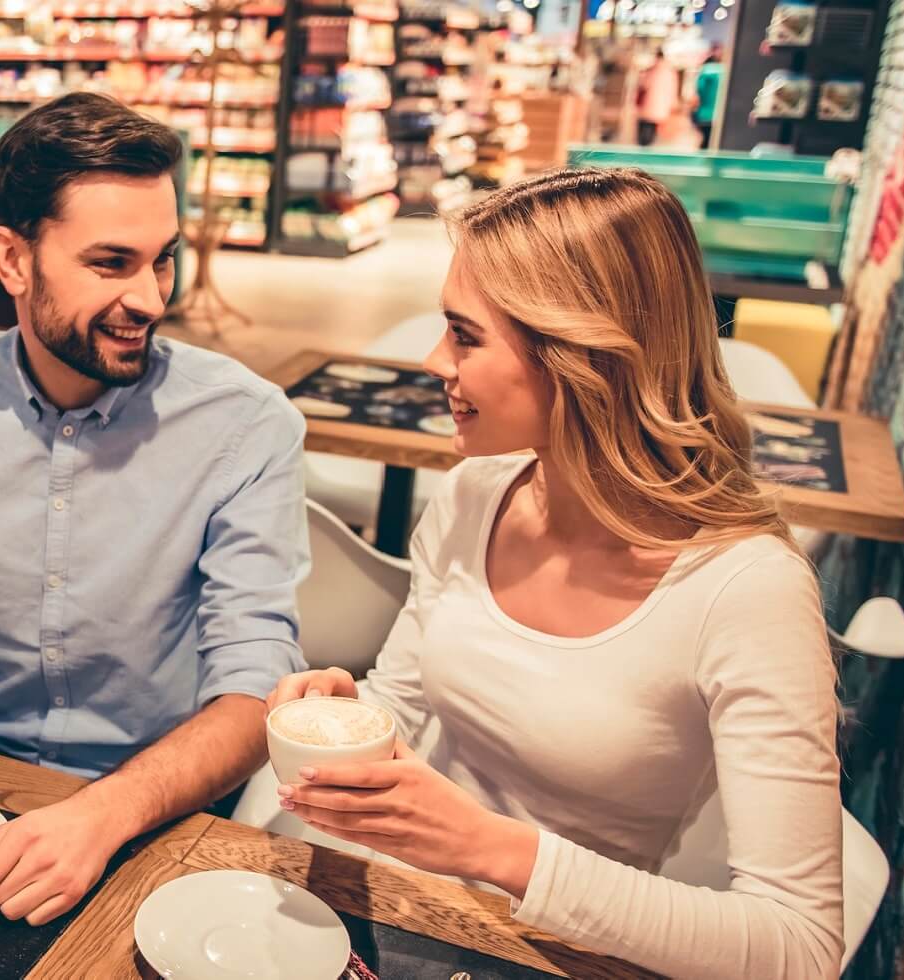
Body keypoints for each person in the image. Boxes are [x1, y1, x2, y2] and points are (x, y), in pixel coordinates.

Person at [268, 168, 844, 978]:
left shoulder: (747, 590)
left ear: (579, 355)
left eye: (464, 335)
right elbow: (401, 699)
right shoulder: (476, 493)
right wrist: (347, 716)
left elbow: (799, 945)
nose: (435, 359)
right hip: (405, 913)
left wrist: (493, 849)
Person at [0, 92, 309, 927]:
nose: (151, 298)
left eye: (163, 259)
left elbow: (257, 687)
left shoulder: (246, 422)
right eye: (112, 264)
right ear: (12, 260)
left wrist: (105, 814)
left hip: (161, 802)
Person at [636, 49, 678, 146]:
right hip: (661, 106)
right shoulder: (670, 71)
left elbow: (644, 85)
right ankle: (648, 145)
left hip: (648, 104)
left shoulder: (651, 69)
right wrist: (672, 104)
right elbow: (672, 90)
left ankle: (643, 146)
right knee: (653, 128)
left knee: (645, 127)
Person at [693, 48, 727, 148]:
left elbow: (699, 90)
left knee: (705, 138)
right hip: (720, 113)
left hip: (704, 112)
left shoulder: (704, 73)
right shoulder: (724, 71)